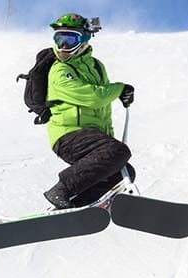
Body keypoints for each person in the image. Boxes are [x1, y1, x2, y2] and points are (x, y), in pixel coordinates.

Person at [42, 13, 136, 209]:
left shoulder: (97, 67)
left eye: (70, 39)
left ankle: (77, 207)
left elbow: (103, 107)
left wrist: (108, 140)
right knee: (118, 153)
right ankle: (61, 189)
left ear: (84, 40)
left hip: (92, 136)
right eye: (59, 39)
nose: (63, 47)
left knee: (124, 172)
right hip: (68, 135)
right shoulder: (59, 69)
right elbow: (93, 97)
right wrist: (119, 89)